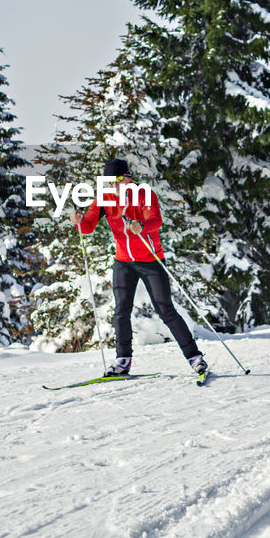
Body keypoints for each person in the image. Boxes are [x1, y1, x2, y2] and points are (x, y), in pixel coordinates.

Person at [71, 158, 208, 378]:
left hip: (150, 259)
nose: (113, 185)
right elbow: (87, 227)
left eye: (116, 180)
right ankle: (122, 361)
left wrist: (141, 225)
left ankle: (195, 358)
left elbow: (156, 219)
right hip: (123, 261)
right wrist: (78, 220)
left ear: (127, 177)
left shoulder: (144, 194)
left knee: (166, 310)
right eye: (108, 181)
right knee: (121, 312)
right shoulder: (105, 198)